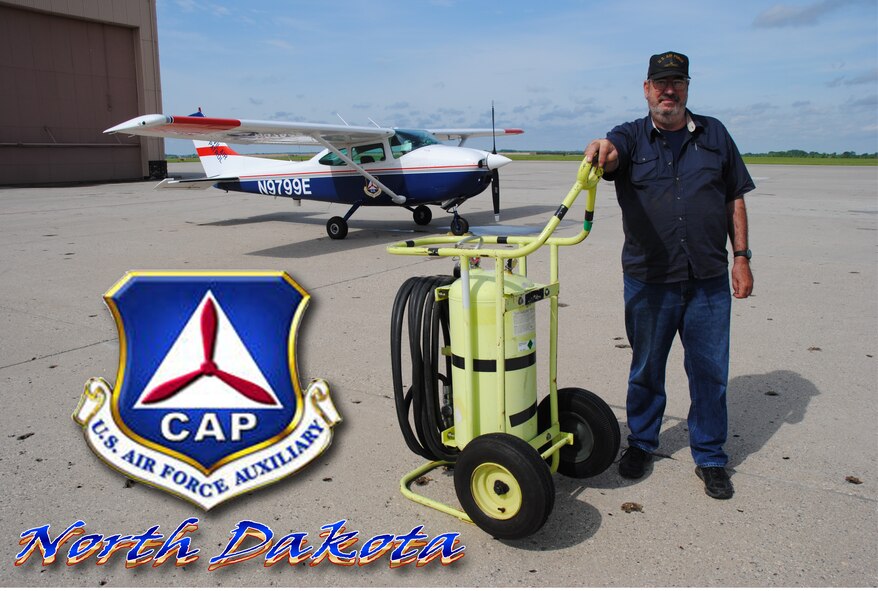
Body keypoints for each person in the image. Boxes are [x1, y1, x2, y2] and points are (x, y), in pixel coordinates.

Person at [585, 51, 754, 500]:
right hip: (649, 280)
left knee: (710, 373)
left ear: (686, 87)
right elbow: (610, 150)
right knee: (646, 369)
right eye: (660, 82)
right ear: (646, 89)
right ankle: (641, 443)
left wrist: (741, 257)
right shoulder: (632, 136)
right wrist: (601, 150)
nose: (668, 90)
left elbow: (734, 196)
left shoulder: (715, 134)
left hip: (709, 279)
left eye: (676, 81)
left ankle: (711, 457)